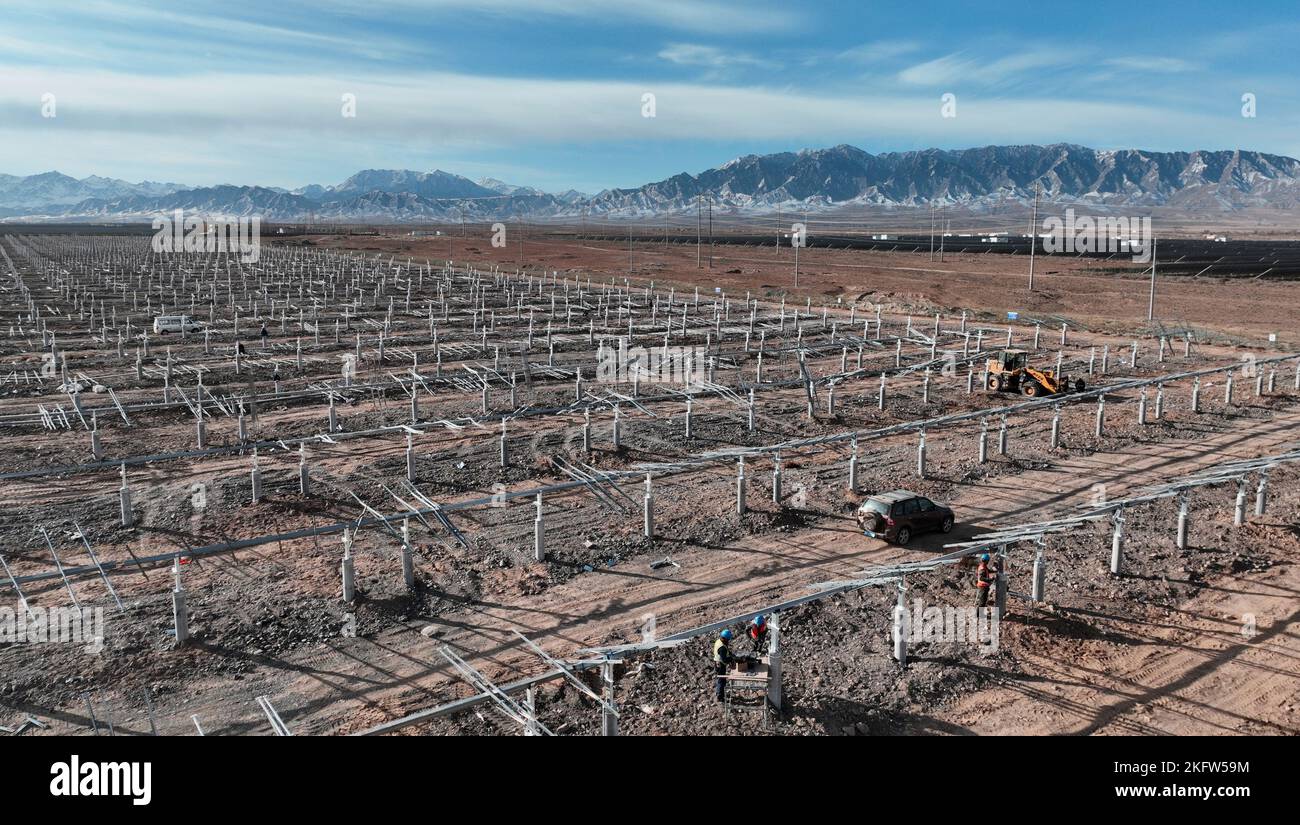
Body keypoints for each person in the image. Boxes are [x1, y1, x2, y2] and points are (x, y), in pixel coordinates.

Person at [712, 629, 735, 702]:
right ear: (725, 638)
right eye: (728, 639)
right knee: (721, 680)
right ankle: (720, 697)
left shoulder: (719, 641)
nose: (729, 640)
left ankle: (719, 693)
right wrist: (731, 659)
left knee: (721, 680)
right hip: (720, 665)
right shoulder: (722, 648)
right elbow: (724, 659)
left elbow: (726, 651)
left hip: (717, 662)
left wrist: (730, 654)